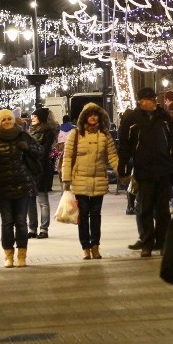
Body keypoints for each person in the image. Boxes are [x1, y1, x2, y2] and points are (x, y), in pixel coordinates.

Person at [118, 87, 173, 257]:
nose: (153, 101)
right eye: (149, 99)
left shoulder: (164, 117)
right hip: (143, 170)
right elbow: (124, 147)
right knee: (144, 208)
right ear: (141, 101)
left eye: (153, 98)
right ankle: (147, 242)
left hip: (163, 168)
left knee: (163, 210)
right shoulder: (132, 119)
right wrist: (123, 169)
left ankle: (163, 242)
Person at [0, 108, 42, 268]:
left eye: (9, 119)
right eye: (3, 120)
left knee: (21, 221)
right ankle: (8, 255)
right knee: (7, 222)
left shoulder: (23, 136)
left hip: (23, 185)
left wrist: (28, 147)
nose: (7, 122)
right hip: (2, 187)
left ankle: (22, 254)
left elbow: (40, 151)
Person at [61, 102, 119, 260]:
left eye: (95, 114)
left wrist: (122, 171)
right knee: (83, 215)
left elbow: (112, 156)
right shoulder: (76, 134)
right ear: (84, 117)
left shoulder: (104, 135)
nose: (93, 117)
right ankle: (85, 246)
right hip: (80, 180)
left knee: (96, 215)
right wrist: (66, 179)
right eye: (90, 114)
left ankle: (95, 246)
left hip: (99, 179)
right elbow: (67, 157)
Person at [27, 107, 59, 239]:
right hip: (29, 168)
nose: (32, 118)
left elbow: (43, 151)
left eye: (35, 116)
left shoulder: (48, 132)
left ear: (41, 118)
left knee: (42, 200)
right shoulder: (29, 131)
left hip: (42, 169)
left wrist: (30, 149)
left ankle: (44, 229)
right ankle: (32, 229)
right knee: (30, 201)